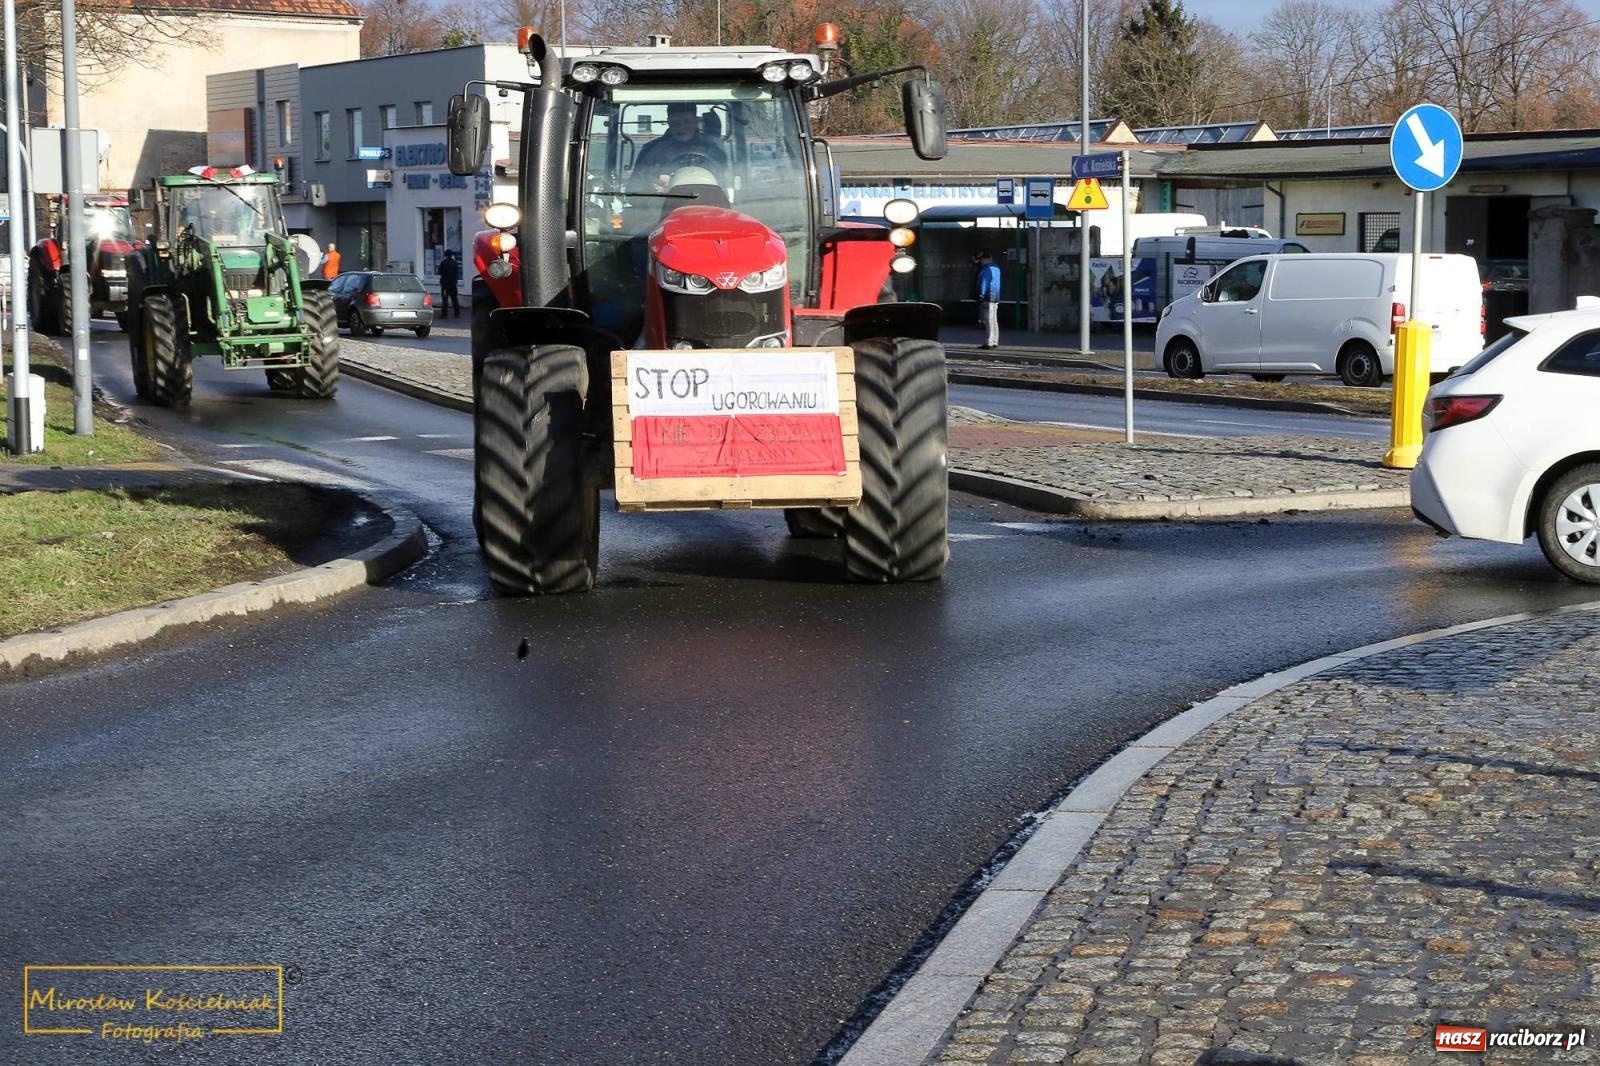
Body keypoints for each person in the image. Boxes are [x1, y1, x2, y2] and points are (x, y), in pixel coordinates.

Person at [632, 102, 726, 192]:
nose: (681, 128)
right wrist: (651, 186)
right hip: (661, 202)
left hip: (708, 201)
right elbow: (634, 188)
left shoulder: (712, 149)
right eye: (675, 123)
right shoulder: (651, 150)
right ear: (668, 122)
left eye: (687, 122)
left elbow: (726, 182)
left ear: (696, 122)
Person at [975, 250, 1001, 349]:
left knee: (988, 320)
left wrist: (981, 295)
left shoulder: (986, 270)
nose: (981, 261)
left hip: (987, 297)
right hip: (995, 296)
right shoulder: (996, 268)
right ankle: (995, 340)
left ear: (985, 259)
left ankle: (989, 342)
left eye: (981, 259)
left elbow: (984, 283)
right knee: (994, 320)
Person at [437, 249, 461, 318]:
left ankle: (444, 314)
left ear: (445, 255)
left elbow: (439, 272)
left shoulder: (443, 263)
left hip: (445, 285)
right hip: (453, 284)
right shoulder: (454, 263)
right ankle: (457, 313)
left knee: (445, 299)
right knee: (454, 299)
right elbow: (457, 272)